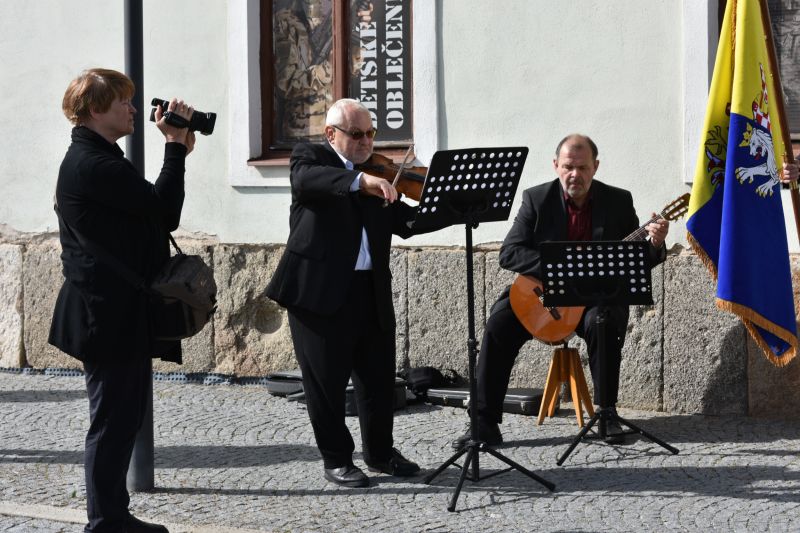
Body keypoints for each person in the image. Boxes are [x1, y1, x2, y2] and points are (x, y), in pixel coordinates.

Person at [49, 68, 196, 533]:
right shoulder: (93, 164)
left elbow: (146, 215)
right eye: (123, 103)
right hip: (105, 314)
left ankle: (112, 516)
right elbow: (165, 212)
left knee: (122, 417)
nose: (134, 110)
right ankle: (105, 522)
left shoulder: (101, 156)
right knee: (113, 420)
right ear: (96, 110)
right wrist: (174, 148)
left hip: (113, 309)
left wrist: (178, 150)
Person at [453, 134, 670, 449]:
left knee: (603, 322)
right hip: (545, 294)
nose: (575, 174)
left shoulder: (618, 201)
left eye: (582, 167)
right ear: (556, 165)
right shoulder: (536, 199)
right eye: (568, 167)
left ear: (595, 167)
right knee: (499, 323)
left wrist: (655, 244)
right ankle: (483, 422)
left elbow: (635, 261)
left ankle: (606, 413)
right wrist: (559, 266)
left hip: (596, 299)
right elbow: (509, 253)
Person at [266, 98, 437, 488]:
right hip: (318, 293)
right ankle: (337, 460)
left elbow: (406, 222)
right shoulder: (311, 158)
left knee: (378, 380)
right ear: (331, 134)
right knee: (325, 383)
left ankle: (380, 454)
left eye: (371, 134)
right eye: (357, 134)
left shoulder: (377, 173)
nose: (366, 142)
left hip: (369, 289)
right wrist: (362, 182)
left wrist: (448, 206)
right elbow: (306, 181)